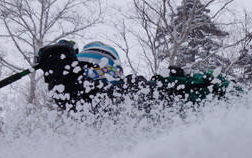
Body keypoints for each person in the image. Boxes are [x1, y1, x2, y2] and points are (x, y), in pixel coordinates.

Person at [35, 40, 237, 114]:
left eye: (98, 71)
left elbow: (79, 98)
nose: (93, 79)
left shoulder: (134, 90)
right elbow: (78, 98)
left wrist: (57, 59)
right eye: (86, 73)